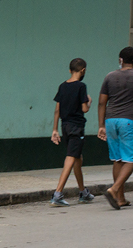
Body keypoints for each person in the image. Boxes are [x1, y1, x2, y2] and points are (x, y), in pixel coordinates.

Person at [49, 58, 95, 206]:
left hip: (65, 126)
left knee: (77, 158)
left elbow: (57, 109)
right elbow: (84, 109)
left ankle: (83, 192)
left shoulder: (62, 86)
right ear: (83, 71)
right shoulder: (81, 86)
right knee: (71, 157)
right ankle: (57, 194)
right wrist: (89, 101)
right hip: (77, 127)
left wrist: (55, 129)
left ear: (70, 70)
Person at [97, 46, 133, 209]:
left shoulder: (109, 76)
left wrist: (101, 125)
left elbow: (102, 102)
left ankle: (120, 199)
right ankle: (114, 189)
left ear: (121, 60)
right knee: (131, 159)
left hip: (111, 121)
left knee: (118, 159)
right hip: (128, 121)